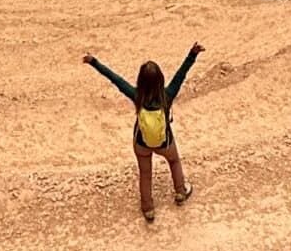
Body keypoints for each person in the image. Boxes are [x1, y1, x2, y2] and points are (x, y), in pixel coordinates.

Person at [82, 43, 204, 221]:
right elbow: (181, 74)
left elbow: (116, 79)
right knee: (174, 161)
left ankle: (148, 209)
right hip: (165, 142)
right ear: (160, 80)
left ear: (141, 80)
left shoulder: (137, 95)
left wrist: (94, 62)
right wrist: (192, 54)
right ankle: (180, 191)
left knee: (145, 173)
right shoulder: (167, 95)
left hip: (141, 143)